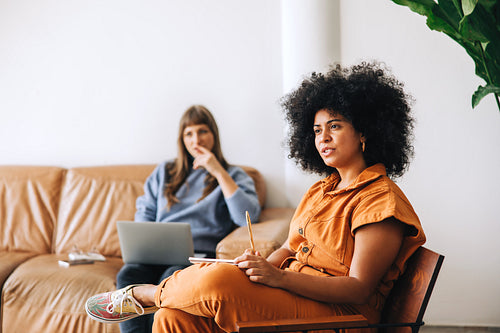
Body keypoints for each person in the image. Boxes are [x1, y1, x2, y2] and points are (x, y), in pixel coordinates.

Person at [86, 62, 426, 333]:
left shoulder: (381, 201)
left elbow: (357, 289)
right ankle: (162, 301)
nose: (323, 138)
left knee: (217, 283)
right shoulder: (322, 189)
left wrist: (276, 277)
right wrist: (255, 267)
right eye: (317, 130)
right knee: (173, 318)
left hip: (342, 317)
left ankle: (146, 294)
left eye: (334, 126)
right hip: (297, 294)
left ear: (365, 133)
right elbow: (291, 248)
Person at [97, 104, 261, 333]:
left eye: (202, 131)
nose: (197, 140)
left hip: (194, 256)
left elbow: (247, 217)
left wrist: (217, 171)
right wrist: (144, 243)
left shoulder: (234, 174)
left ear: (214, 134)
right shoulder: (166, 171)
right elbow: (145, 210)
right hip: (154, 252)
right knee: (128, 275)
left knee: (169, 278)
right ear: (182, 139)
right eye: (189, 133)